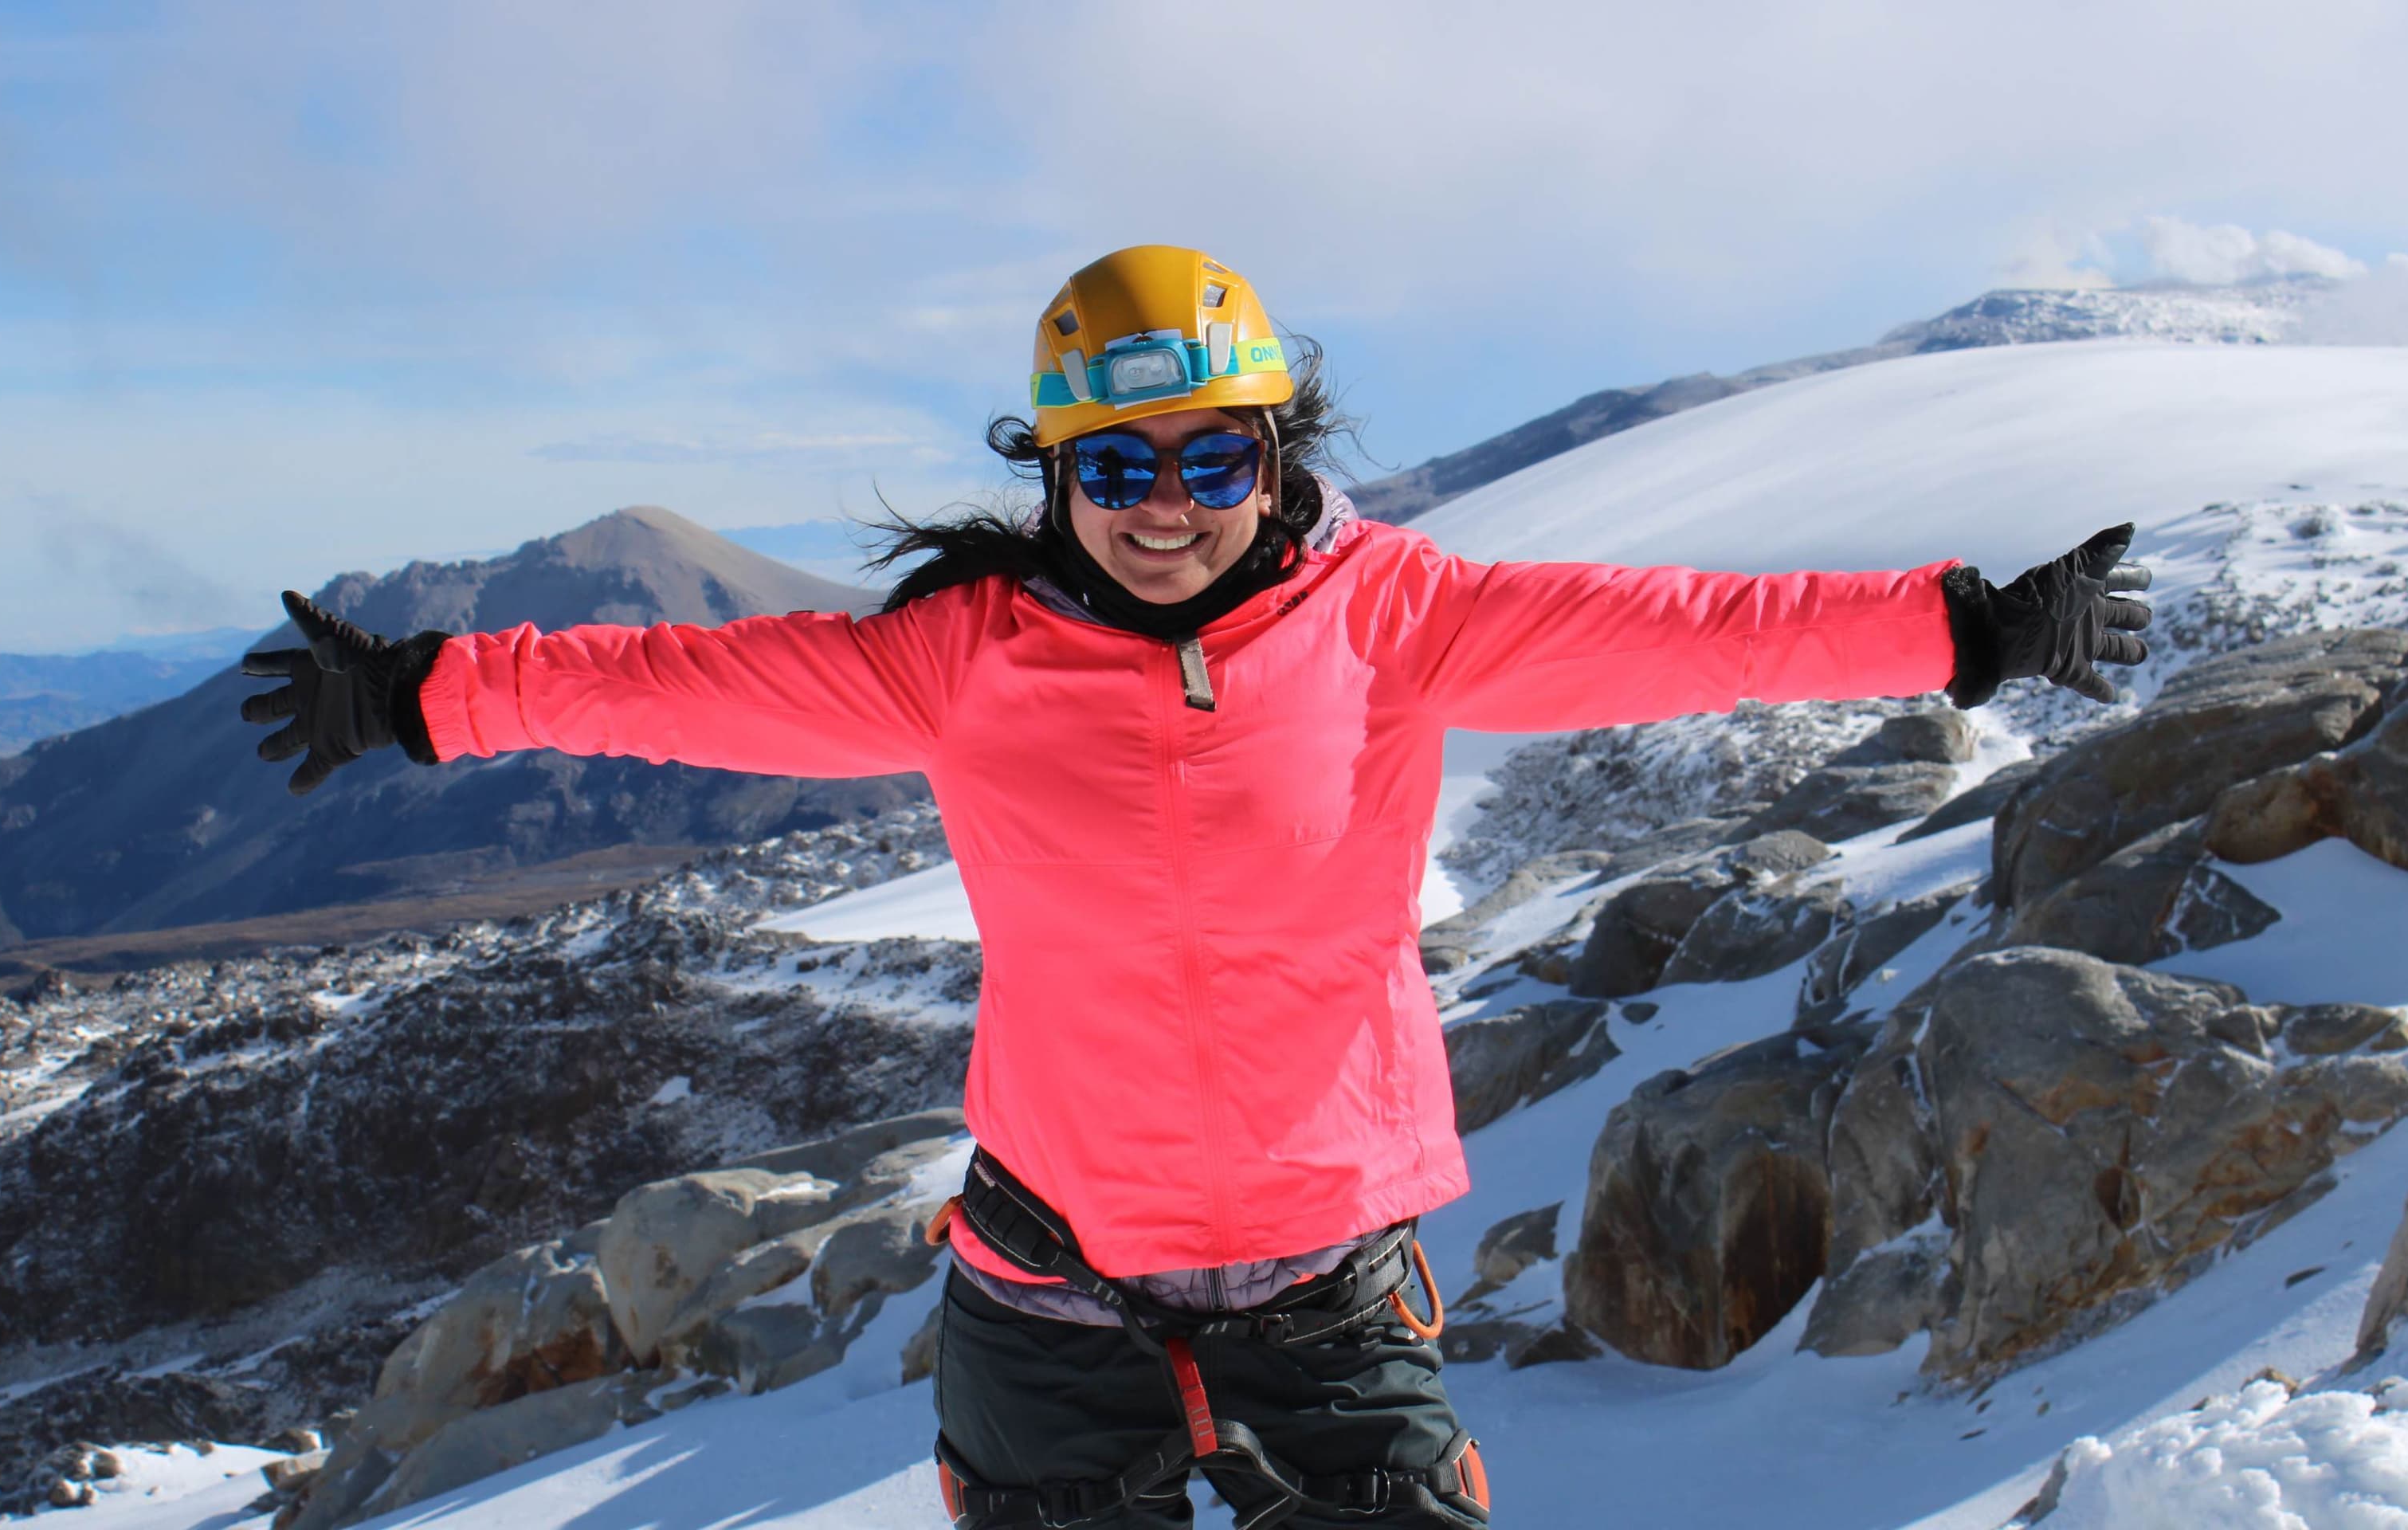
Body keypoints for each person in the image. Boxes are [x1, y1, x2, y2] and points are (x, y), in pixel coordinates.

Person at [239, 245, 2153, 1528]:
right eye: (1118, 461)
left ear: (1274, 449)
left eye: (1213, 455)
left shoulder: (1396, 620)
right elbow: (682, 688)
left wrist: (1970, 629)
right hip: (1049, 1281)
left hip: (1328, 1290)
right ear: (1061, 470)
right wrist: (421, 692)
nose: (1167, 500)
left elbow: (1680, 631)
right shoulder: (964, 652)